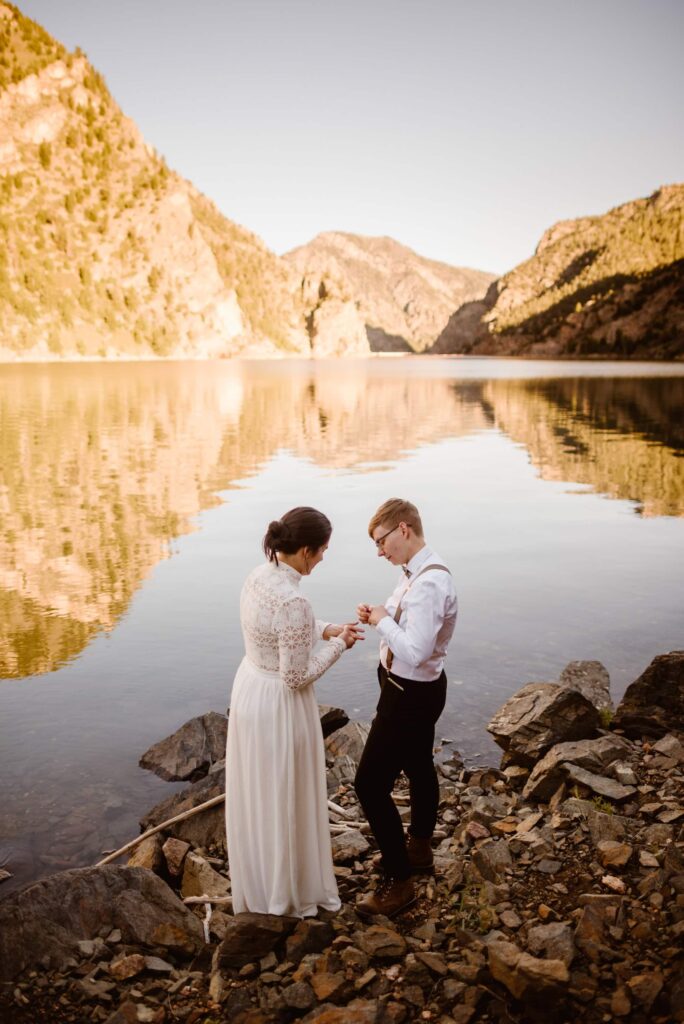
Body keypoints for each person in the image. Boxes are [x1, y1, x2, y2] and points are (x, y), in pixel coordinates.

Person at [226, 507, 362, 917]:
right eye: (322, 551)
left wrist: (325, 629)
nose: (322, 559)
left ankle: (259, 886)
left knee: (259, 794)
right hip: (280, 706)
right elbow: (296, 676)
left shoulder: (259, 575)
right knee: (286, 795)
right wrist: (340, 645)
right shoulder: (295, 599)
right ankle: (289, 892)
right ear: (305, 550)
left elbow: (286, 627)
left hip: (250, 689)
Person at [354, 498, 458, 918]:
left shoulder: (431, 583)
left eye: (381, 542)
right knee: (417, 765)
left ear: (403, 529)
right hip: (414, 688)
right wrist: (379, 616)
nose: (380, 551)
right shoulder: (415, 574)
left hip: (408, 693)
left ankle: (400, 882)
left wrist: (381, 620)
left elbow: (414, 651)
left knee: (369, 785)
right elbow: (409, 630)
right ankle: (418, 850)